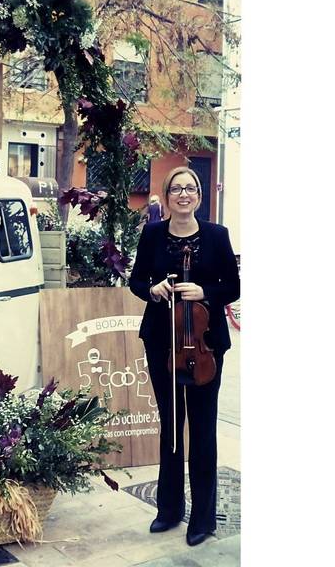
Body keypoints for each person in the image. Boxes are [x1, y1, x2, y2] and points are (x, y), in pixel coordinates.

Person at [129, 165, 240, 547]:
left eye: (190, 188)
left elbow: (233, 286)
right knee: (171, 427)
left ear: (199, 195)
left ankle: (203, 519)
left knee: (203, 429)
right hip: (162, 341)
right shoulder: (153, 234)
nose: (183, 194)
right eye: (176, 189)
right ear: (168, 194)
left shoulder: (216, 235)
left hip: (205, 344)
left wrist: (204, 292)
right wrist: (154, 289)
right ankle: (169, 509)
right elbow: (136, 281)